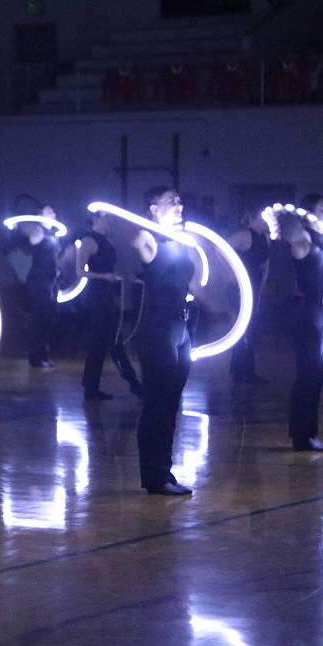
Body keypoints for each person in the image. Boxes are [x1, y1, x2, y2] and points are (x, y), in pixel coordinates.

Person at [131, 186, 199, 495]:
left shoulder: (179, 241)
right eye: (171, 201)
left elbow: (189, 283)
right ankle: (153, 477)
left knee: (171, 405)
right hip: (157, 330)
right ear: (154, 208)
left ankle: (165, 471)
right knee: (156, 404)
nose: (179, 204)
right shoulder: (148, 241)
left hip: (181, 329)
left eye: (180, 200)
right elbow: (130, 233)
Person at [279, 209, 323, 451]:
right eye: (321, 209)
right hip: (309, 314)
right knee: (309, 374)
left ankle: (309, 433)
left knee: (317, 376)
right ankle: (302, 435)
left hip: (320, 313)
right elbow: (289, 228)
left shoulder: (319, 241)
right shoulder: (303, 242)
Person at [78, 211, 124, 400]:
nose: (109, 221)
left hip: (106, 294)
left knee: (104, 342)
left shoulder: (108, 241)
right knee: (101, 341)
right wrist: (104, 276)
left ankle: (91, 386)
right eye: (106, 217)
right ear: (95, 218)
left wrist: (127, 278)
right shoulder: (88, 241)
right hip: (96, 295)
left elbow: (111, 268)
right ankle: (91, 387)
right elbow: (80, 271)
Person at [228, 209, 271, 383]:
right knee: (243, 330)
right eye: (262, 215)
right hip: (241, 285)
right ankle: (241, 371)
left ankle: (244, 370)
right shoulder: (244, 235)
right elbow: (220, 249)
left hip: (255, 284)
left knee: (251, 329)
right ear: (252, 217)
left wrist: (261, 287)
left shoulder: (266, 237)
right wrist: (231, 274)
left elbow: (266, 264)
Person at [20, 205, 60, 367]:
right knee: (38, 319)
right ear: (40, 215)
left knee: (48, 320)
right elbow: (25, 229)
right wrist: (19, 225)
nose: (53, 213)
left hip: (51, 283)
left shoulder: (53, 234)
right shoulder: (38, 230)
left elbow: (53, 258)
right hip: (38, 282)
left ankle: (44, 356)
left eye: (53, 211)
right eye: (49, 211)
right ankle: (35, 358)